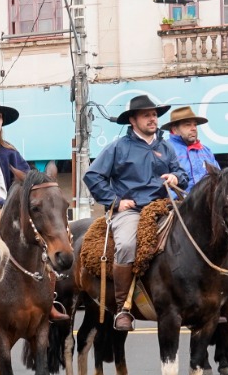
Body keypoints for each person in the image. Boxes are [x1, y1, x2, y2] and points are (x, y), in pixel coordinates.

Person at [83, 94, 185, 331]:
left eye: (154, 115)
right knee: (127, 245)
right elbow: (92, 176)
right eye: (146, 115)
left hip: (165, 206)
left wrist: (175, 177)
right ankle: (123, 308)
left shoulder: (166, 146)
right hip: (132, 211)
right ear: (133, 120)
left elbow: (181, 173)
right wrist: (116, 202)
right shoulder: (118, 147)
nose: (152, 119)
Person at [163, 106, 215, 190]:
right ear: (174, 129)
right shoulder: (164, 150)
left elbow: (218, 178)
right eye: (188, 125)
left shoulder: (206, 151)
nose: (194, 128)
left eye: (195, 125)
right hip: (178, 198)